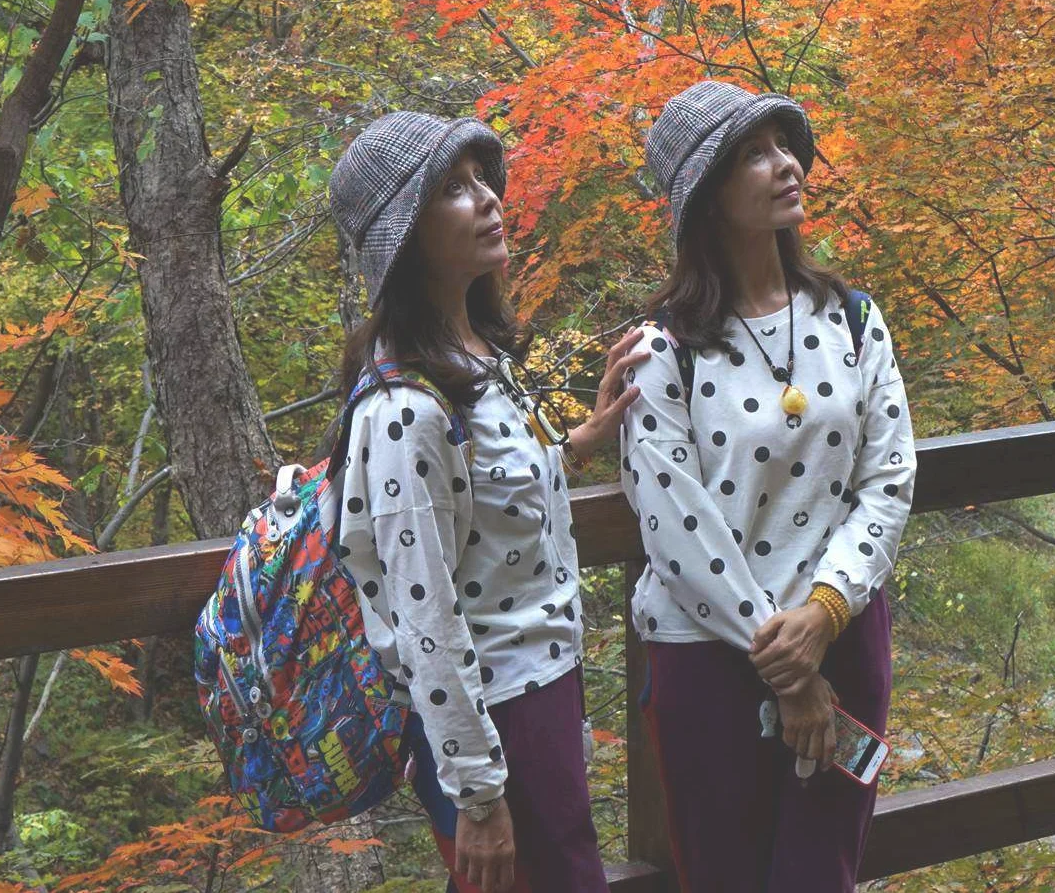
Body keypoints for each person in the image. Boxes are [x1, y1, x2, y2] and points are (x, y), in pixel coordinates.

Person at [328, 111, 639, 893]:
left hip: (538, 693)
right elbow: (424, 617)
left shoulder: (477, 359)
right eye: (454, 190)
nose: (490, 200)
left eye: (483, 181)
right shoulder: (405, 410)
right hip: (493, 718)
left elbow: (487, 499)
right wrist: (478, 795)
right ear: (402, 237)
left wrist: (579, 441)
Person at [620, 79, 917, 893]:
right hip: (709, 659)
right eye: (753, 154)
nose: (786, 164)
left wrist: (821, 617)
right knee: (726, 875)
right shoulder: (664, 351)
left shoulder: (854, 320)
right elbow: (675, 528)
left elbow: (888, 480)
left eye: (784, 144)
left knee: (822, 875)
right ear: (707, 198)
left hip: (845, 634)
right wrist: (788, 667)